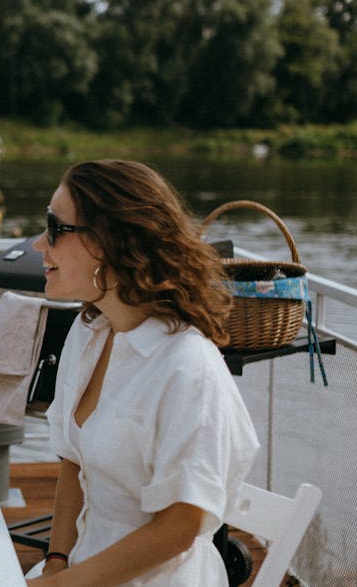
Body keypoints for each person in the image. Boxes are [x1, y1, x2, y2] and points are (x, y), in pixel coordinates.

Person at [27, 160, 259, 585]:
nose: (40, 244)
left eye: (55, 228)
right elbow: (72, 464)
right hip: (81, 566)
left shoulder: (187, 367)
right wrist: (56, 561)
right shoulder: (89, 333)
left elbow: (179, 528)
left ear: (109, 242)